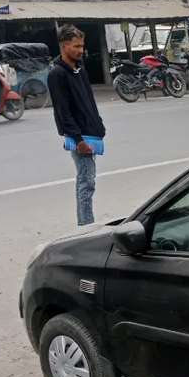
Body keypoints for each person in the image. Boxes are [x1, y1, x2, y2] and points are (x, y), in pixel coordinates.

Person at [48, 24, 106, 227]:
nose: (81, 50)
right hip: (80, 137)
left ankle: (86, 224)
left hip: (92, 133)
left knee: (88, 181)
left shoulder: (79, 69)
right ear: (64, 46)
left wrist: (99, 124)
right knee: (86, 183)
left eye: (82, 46)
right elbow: (63, 112)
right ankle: (86, 227)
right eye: (76, 46)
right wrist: (79, 140)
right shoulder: (57, 74)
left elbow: (88, 100)